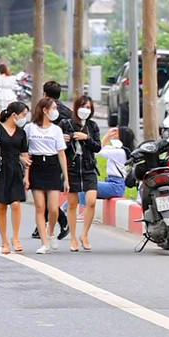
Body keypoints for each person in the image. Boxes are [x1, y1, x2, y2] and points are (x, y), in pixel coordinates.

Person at [0, 101, 30, 254]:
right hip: (0, 170)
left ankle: (15, 238)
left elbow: (25, 155)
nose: (25, 118)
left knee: (16, 204)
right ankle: (4, 241)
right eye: (23, 114)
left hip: (16, 171)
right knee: (1, 206)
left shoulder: (21, 132)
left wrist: (27, 176)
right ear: (14, 115)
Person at [26, 97, 70, 255]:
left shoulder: (56, 130)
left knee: (53, 208)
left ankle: (51, 232)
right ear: (45, 110)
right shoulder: (30, 128)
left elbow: (61, 154)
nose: (55, 111)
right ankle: (44, 242)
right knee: (40, 207)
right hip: (36, 166)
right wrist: (25, 174)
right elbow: (25, 151)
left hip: (52, 167)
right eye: (53, 108)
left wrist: (66, 178)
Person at [65, 95, 102, 251]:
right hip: (72, 167)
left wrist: (86, 138)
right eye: (82, 106)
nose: (85, 110)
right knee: (72, 203)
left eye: (88, 107)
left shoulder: (92, 126)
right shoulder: (65, 124)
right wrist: (65, 140)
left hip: (88, 167)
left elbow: (97, 147)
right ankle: (73, 238)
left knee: (91, 200)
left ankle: (85, 234)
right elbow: (59, 146)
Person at [97, 127, 136, 200]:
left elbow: (98, 150)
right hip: (114, 184)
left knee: (87, 186)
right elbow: (101, 147)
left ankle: (82, 209)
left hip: (115, 185)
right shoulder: (121, 150)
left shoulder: (119, 152)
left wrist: (107, 136)